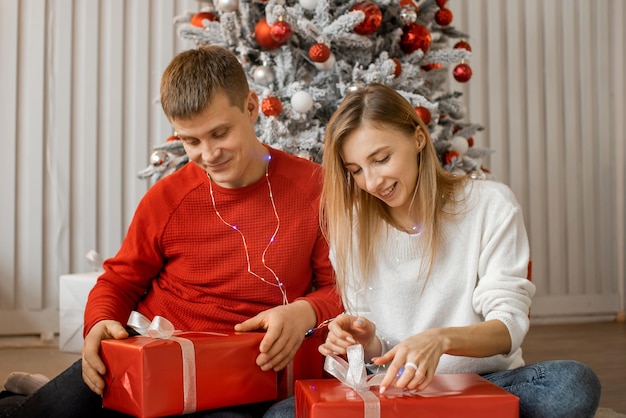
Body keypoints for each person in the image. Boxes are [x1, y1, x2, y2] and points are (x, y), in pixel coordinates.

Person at [0, 45, 342, 418]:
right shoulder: (168, 198)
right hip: (152, 354)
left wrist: (305, 311)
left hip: (241, 377)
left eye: (219, 133)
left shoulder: (314, 189)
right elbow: (119, 281)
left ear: (250, 107)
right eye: (191, 141)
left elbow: (340, 288)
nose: (209, 154)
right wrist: (99, 324)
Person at [266, 83, 601, 418]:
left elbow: (508, 328)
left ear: (418, 138)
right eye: (355, 171)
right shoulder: (352, 225)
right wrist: (366, 341)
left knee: (570, 384)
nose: (371, 182)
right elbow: (378, 350)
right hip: (394, 390)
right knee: (281, 414)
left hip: (483, 383)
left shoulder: (490, 205)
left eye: (381, 159)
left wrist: (440, 341)